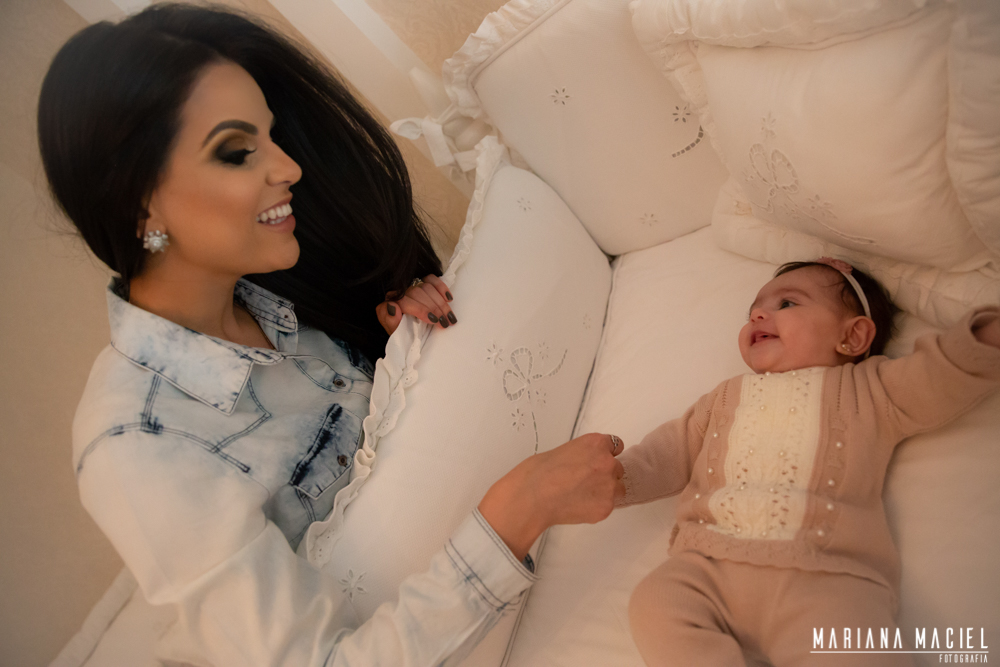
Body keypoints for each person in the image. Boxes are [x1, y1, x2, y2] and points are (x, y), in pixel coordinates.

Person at [38, 5, 625, 665]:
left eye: (273, 136)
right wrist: (519, 511)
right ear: (141, 203)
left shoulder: (276, 291)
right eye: (238, 151)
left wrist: (395, 351)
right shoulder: (136, 446)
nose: (288, 167)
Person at [615, 258, 1000, 666]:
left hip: (826, 576)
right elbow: (667, 452)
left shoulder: (871, 389)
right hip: (708, 568)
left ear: (852, 337)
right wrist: (613, 478)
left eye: (787, 304)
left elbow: (935, 376)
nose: (758, 315)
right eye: (753, 311)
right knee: (654, 603)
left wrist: (985, 340)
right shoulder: (725, 397)